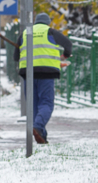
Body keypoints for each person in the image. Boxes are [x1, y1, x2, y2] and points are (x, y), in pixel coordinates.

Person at [13, 13, 72, 144]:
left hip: (28, 73)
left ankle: (41, 136)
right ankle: (38, 127)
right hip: (46, 72)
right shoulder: (51, 32)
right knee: (46, 103)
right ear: (47, 22)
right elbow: (67, 44)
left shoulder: (25, 33)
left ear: (36, 22)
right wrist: (66, 55)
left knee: (32, 106)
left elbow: (16, 57)